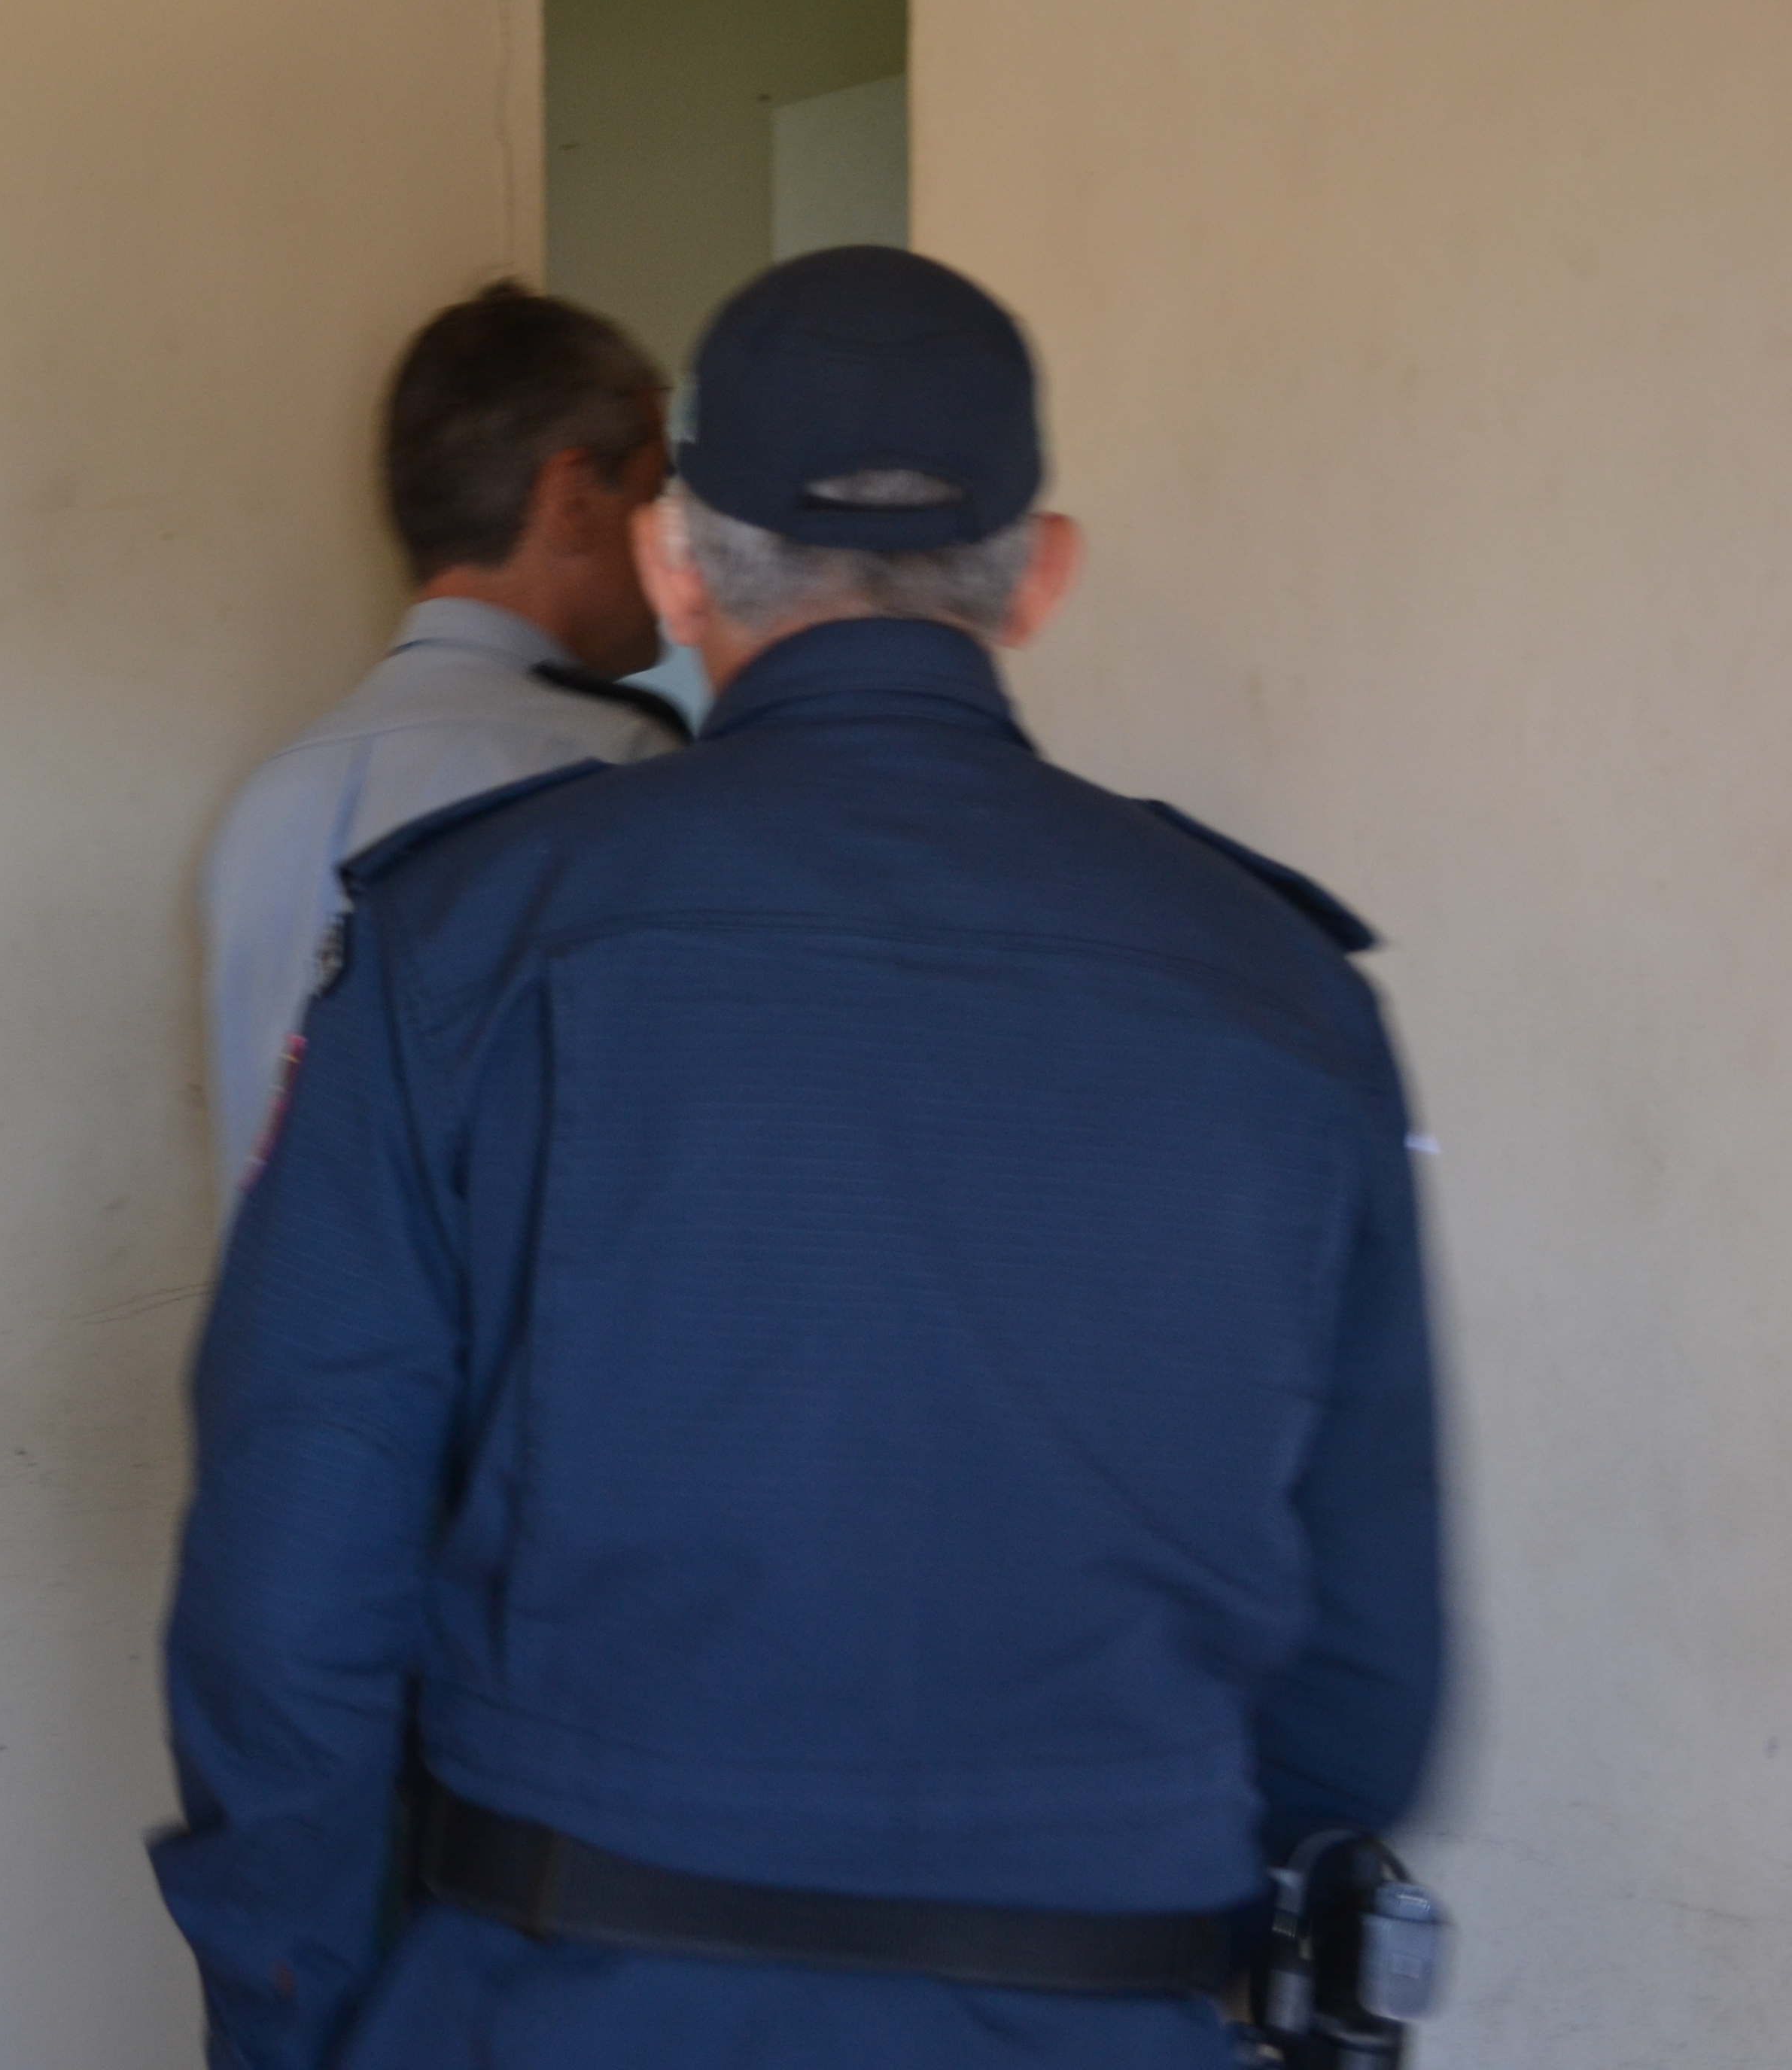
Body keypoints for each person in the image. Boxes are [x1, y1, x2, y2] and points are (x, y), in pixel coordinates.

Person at [151, 247, 1442, 2070]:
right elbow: (1367, 1684)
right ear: (1041, 572)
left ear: (676, 559)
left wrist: (294, 2014)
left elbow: (289, 1596)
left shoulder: (470, 939)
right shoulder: (1288, 995)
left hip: (556, 2004)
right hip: (1097, 2006)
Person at [201, 282, 686, 1196]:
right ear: (573, 499)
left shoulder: (264, 806)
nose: (673, 538)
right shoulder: (617, 777)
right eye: (654, 490)